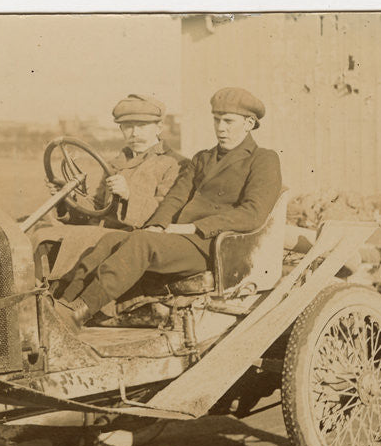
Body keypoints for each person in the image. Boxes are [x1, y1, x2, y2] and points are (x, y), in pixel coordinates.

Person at [54, 87, 283, 327]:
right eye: (217, 120)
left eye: (228, 121)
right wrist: (156, 225)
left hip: (214, 245)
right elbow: (174, 198)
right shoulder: (202, 158)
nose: (220, 128)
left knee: (141, 243)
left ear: (249, 123)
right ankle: (63, 302)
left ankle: (80, 312)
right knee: (111, 240)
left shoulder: (263, 159)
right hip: (180, 240)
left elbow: (253, 214)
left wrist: (194, 228)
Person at [31, 93, 185, 279]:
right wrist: (66, 197)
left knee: (77, 240)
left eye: (142, 126)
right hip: (102, 231)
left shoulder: (175, 164)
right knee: (43, 236)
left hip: (137, 239)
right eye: (128, 127)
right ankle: (46, 294)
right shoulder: (116, 163)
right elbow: (98, 206)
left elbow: (167, 214)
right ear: (121, 129)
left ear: (159, 127)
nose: (135, 133)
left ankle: (66, 295)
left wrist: (129, 195)